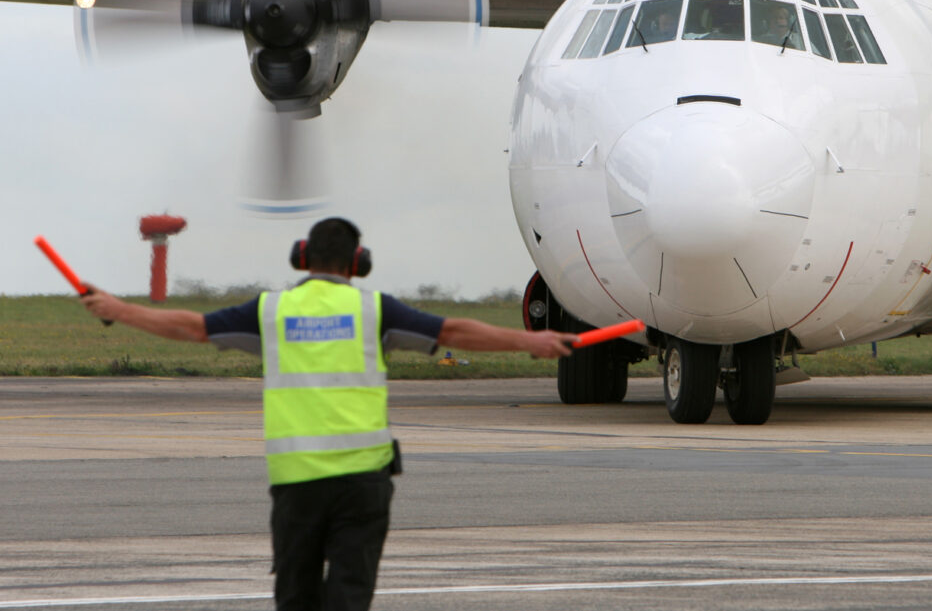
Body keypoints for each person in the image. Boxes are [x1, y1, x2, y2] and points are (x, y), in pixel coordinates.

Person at [80, 217, 575, 611]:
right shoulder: (375, 310)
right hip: (362, 483)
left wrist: (119, 309)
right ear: (358, 262)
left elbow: (190, 326)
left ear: (302, 257)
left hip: (297, 487)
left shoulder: (272, 311)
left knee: (295, 598)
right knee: (348, 596)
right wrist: (529, 340)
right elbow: (455, 332)